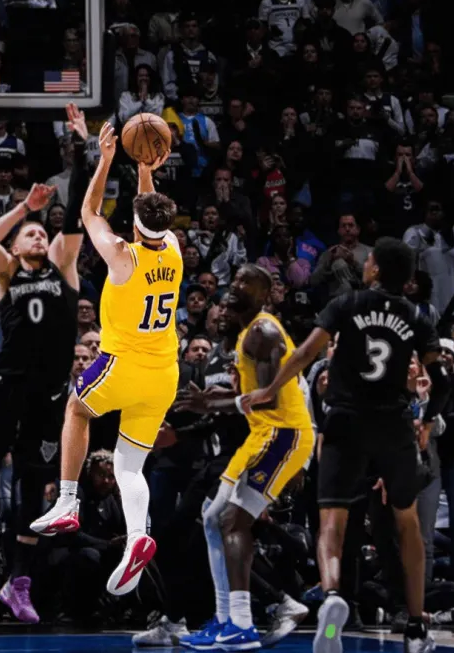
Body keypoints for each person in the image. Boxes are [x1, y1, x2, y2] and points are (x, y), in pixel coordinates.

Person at [241, 237, 449, 653]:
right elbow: (441, 380)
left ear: (373, 270)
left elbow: (303, 354)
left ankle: (333, 595)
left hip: (344, 420)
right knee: (405, 523)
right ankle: (414, 626)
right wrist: (425, 421)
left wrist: (270, 390)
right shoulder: (416, 316)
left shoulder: (346, 304)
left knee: (332, 521)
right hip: (392, 425)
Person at [0, 103, 89, 624]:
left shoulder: (65, 267)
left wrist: (84, 150)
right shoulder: (6, 272)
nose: (36, 233)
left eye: (38, 230)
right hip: (8, 384)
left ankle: (19, 582)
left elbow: (76, 214)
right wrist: (22, 206)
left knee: (38, 487)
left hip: (49, 392)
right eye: (28, 232)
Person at [32, 121, 181, 598]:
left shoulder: (122, 256)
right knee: (129, 466)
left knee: (77, 407)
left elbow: (89, 209)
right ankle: (139, 537)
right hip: (164, 375)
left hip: (123, 364)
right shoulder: (175, 250)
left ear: (135, 224)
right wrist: (144, 168)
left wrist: (107, 158)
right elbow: (150, 212)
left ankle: (69, 502)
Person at [179, 265, 314, 650]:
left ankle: (242, 623)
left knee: (231, 521)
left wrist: (218, 403)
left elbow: (269, 396)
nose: (237, 286)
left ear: (266, 293)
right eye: (235, 280)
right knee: (211, 518)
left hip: (283, 434)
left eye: (247, 283)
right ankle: (224, 620)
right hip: (261, 435)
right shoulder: (244, 335)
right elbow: (252, 402)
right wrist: (211, 404)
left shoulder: (263, 331)